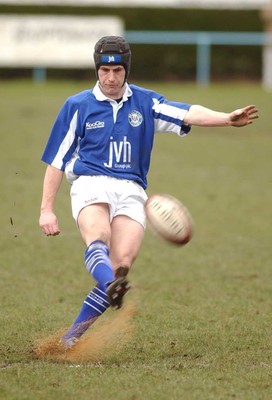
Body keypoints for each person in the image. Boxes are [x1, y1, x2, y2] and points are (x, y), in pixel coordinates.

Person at [39, 36, 258, 349]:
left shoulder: (145, 102)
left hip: (131, 189)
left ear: (126, 70)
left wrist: (226, 118)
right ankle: (108, 288)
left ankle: (69, 339)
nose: (111, 78)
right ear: (97, 70)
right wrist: (47, 209)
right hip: (90, 182)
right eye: (105, 71)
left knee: (122, 263)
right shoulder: (77, 106)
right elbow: (55, 162)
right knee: (98, 233)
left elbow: (186, 112)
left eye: (117, 71)